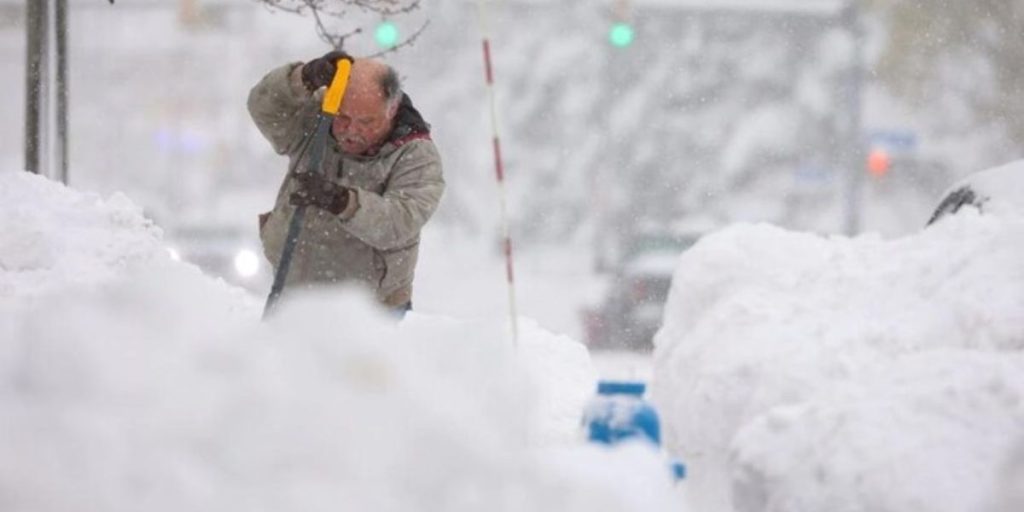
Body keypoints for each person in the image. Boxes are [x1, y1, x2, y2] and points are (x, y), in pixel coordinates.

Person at [248, 50, 444, 312]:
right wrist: (301, 79)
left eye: (366, 121)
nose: (352, 130)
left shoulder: (416, 155)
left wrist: (342, 201)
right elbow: (264, 108)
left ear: (392, 110)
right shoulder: (316, 120)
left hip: (373, 308)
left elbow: (398, 223)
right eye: (343, 117)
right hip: (294, 291)